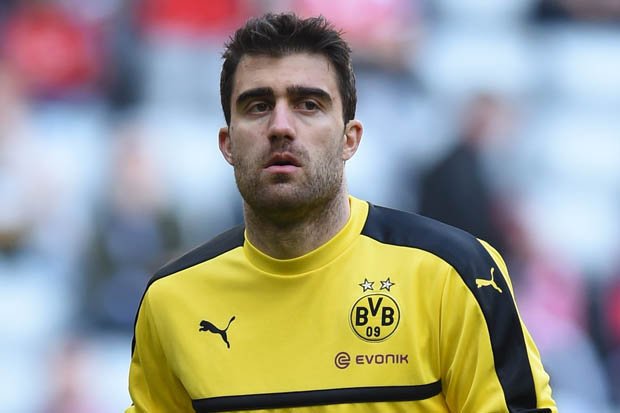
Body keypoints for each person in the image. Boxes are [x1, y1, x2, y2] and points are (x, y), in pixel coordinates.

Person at [126, 13, 557, 412]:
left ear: (350, 139)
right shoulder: (172, 302)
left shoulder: (455, 275)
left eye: (308, 104)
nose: (281, 126)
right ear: (228, 145)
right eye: (258, 106)